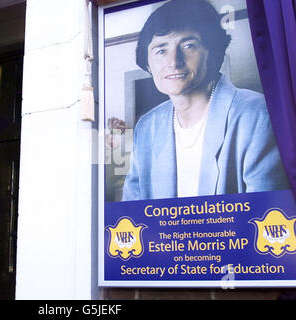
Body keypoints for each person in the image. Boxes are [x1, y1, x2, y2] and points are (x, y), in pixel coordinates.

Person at [122, 0, 289, 201]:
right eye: (161, 50)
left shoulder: (256, 114)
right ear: (147, 63)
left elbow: (265, 217)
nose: (174, 61)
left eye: (189, 45)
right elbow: (134, 218)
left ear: (211, 52)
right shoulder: (146, 127)